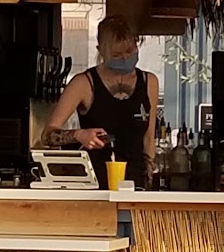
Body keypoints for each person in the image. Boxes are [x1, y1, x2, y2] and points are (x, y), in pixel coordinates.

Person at [44, 16, 157, 186]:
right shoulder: (83, 83)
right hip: (94, 184)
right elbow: (47, 135)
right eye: (116, 54)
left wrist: (150, 179)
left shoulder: (149, 82)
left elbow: (149, 139)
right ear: (101, 51)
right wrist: (79, 135)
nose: (125, 58)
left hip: (135, 184)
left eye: (129, 51)